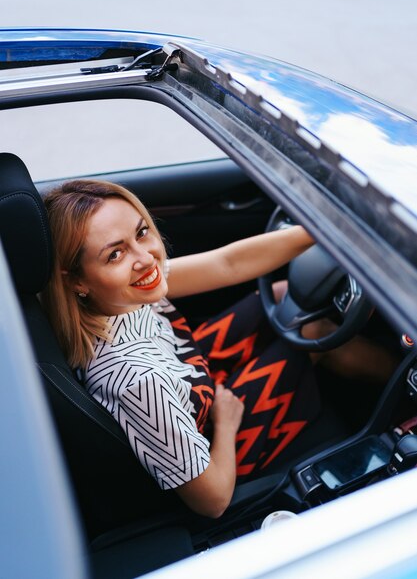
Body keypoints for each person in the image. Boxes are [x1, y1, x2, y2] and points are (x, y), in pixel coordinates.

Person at [41, 179, 396, 518]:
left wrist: (331, 234)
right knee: (315, 331)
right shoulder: (137, 381)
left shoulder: (121, 295)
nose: (146, 258)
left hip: (191, 376)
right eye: (115, 254)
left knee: (284, 295)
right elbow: (211, 500)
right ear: (75, 281)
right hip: (214, 442)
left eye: (141, 232)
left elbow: (227, 264)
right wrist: (226, 423)